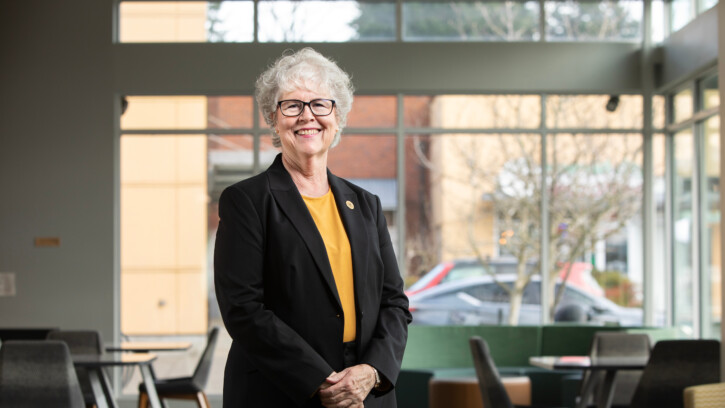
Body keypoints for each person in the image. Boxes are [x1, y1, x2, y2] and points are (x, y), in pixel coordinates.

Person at [214, 47, 412, 408]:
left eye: (320, 104)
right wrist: (321, 380)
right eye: (292, 106)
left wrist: (371, 372)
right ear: (273, 119)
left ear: (337, 117)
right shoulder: (247, 201)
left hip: (366, 391)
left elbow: (394, 303)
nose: (308, 116)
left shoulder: (366, 204)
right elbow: (243, 308)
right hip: (283, 389)